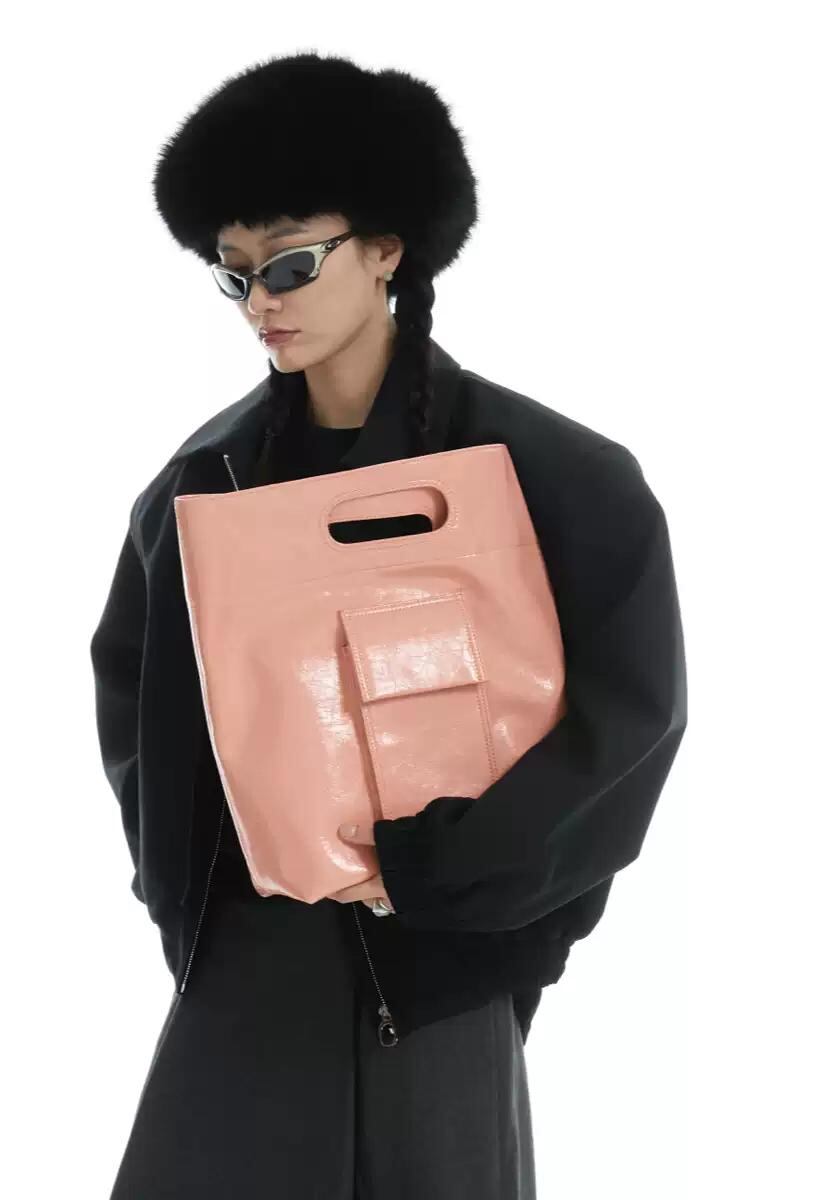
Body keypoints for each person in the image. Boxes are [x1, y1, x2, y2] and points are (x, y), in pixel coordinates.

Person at [89, 52, 688, 1199]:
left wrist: (444, 874)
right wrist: (192, 888)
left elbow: (628, 728)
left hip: (443, 966)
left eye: (290, 263)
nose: (261, 303)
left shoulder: (554, 476)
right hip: (251, 957)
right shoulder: (202, 484)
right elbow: (137, 698)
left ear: (387, 250)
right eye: (234, 274)